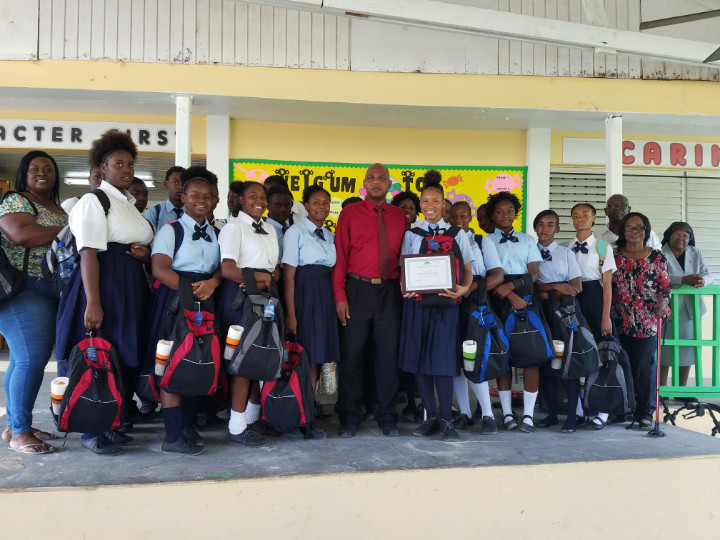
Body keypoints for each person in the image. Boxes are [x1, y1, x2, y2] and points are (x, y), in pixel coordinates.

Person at [55, 129, 154, 455]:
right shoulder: (94, 200)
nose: (126, 169)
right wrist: (94, 302)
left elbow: (138, 240)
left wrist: (144, 256)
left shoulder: (127, 203)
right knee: (98, 356)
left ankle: (112, 423)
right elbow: (88, 253)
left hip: (130, 286)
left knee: (123, 356)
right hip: (102, 284)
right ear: (103, 167)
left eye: (130, 164)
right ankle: (92, 432)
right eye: (118, 164)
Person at [0, 151, 68, 454]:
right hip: (21, 288)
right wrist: (69, 231)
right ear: (24, 175)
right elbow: (20, 235)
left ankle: (15, 424)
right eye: (34, 169)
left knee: (20, 359)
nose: (42, 173)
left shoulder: (56, 207)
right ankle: (20, 433)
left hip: (49, 288)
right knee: (31, 358)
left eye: (48, 169)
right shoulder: (16, 200)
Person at [149, 177, 222, 455]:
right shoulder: (172, 230)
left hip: (206, 299)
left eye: (206, 196)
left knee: (196, 362)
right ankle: (172, 435)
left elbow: (220, 268)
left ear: (213, 200)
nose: (200, 200)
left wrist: (213, 283)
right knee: (173, 364)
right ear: (183, 198)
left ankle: (188, 426)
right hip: (178, 298)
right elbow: (159, 268)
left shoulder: (217, 232)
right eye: (194, 195)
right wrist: (190, 292)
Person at [332, 163, 405, 438]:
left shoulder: (399, 216)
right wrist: (340, 296)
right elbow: (340, 257)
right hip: (356, 290)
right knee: (352, 355)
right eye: (371, 178)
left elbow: (405, 256)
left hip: (390, 292)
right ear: (365, 183)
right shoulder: (349, 214)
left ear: (388, 185)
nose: (376, 182)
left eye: (382, 178)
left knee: (388, 355)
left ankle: (386, 415)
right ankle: (349, 416)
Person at [399, 175, 474, 441]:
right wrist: (403, 287)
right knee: (421, 361)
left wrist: (464, 289)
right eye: (424, 201)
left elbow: (468, 270)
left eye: (435, 201)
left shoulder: (458, 234)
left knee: (442, 362)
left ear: (444, 204)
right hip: (418, 305)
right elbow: (403, 268)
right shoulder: (411, 234)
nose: (429, 205)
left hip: (446, 305)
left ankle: (446, 420)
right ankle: (430, 417)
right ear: (420, 204)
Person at [218, 181, 281, 447]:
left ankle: (253, 420)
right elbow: (228, 269)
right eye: (252, 196)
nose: (259, 200)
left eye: (262, 196)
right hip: (241, 300)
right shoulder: (234, 228)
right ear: (241, 200)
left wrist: (268, 279)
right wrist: (262, 279)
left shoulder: (269, 228)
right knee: (242, 363)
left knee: (260, 358)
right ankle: (236, 426)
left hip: (265, 299)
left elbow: (274, 268)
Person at [283, 185, 338, 439]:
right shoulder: (296, 232)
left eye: (326, 203)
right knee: (300, 357)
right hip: (304, 295)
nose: (322, 207)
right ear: (305, 205)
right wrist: (291, 314)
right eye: (316, 202)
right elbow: (289, 276)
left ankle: (308, 416)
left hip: (324, 296)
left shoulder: (328, 234)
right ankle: (293, 418)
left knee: (316, 357)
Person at [485, 192, 543, 432]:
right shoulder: (486, 241)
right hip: (497, 298)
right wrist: (508, 293)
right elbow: (487, 275)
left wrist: (514, 288)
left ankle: (528, 415)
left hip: (526, 297)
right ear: (492, 215)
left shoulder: (527, 240)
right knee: (503, 357)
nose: (505, 215)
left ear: (515, 213)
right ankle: (507, 413)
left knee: (531, 355)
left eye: (509, 211)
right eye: (499, 211)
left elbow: (534, 273)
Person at [448, 201, 503, 434]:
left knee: (476, 357)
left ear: (470, 217)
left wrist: (470, 288)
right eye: (454, 216)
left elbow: (498, 275)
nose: (459, 220)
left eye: (463, 216)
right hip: (450, 304)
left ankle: (488, 415)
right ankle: (464, 413)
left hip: (477, 304)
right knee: (456, 363)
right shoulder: (443, 239)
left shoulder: (482, 241)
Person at [612, 212, 670, 429]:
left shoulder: (656, 257)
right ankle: (622, 408)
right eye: (629, 228)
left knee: (642, 366)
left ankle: (643, 412)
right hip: (619, 318)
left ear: (646, 231)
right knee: (621, 365)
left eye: (639, 228)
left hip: (647, 321)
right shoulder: (614, 255)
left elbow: (665, 287)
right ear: (622, 231)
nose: (634, 232)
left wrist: (663, 304)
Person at [567, 203, 618, 430]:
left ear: (594, 219)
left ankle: (603, 411)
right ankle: (579, 410)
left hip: (596, 300)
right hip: (574, 300)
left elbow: (607, 286)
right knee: (578, 351)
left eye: (585, 215)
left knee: (603, 352)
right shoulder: (566, 246)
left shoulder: (603, 247)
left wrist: (605, 315)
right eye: (576, 216)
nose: (580, 219)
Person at [532, 210, 583, 433]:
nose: (544, 229)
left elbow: (576, 286)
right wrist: (554, 287)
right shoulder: (529, 250)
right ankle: (551, 412)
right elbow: (531, 286)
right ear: (535, 228)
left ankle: (572, 415)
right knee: (546, 360)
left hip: (565, 311)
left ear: (558, 229)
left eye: (550, 225)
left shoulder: (566, 253)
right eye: (540, 225)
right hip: (540, 311)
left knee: (568, 360)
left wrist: (550, 292)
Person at [659, 222, 713, 388]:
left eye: (685, 236)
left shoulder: (695, 252)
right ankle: (662, 389)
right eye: (677, 235)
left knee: (687, 348)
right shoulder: (659, 253)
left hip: (690, 309)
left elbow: (709, 275)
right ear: (669, 236)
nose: (681, 239)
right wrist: (683, 280)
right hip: (666, 307)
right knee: (664, 348)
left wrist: (701, 281)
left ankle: (682, 389)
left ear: (690, 239)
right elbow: (659, 277)